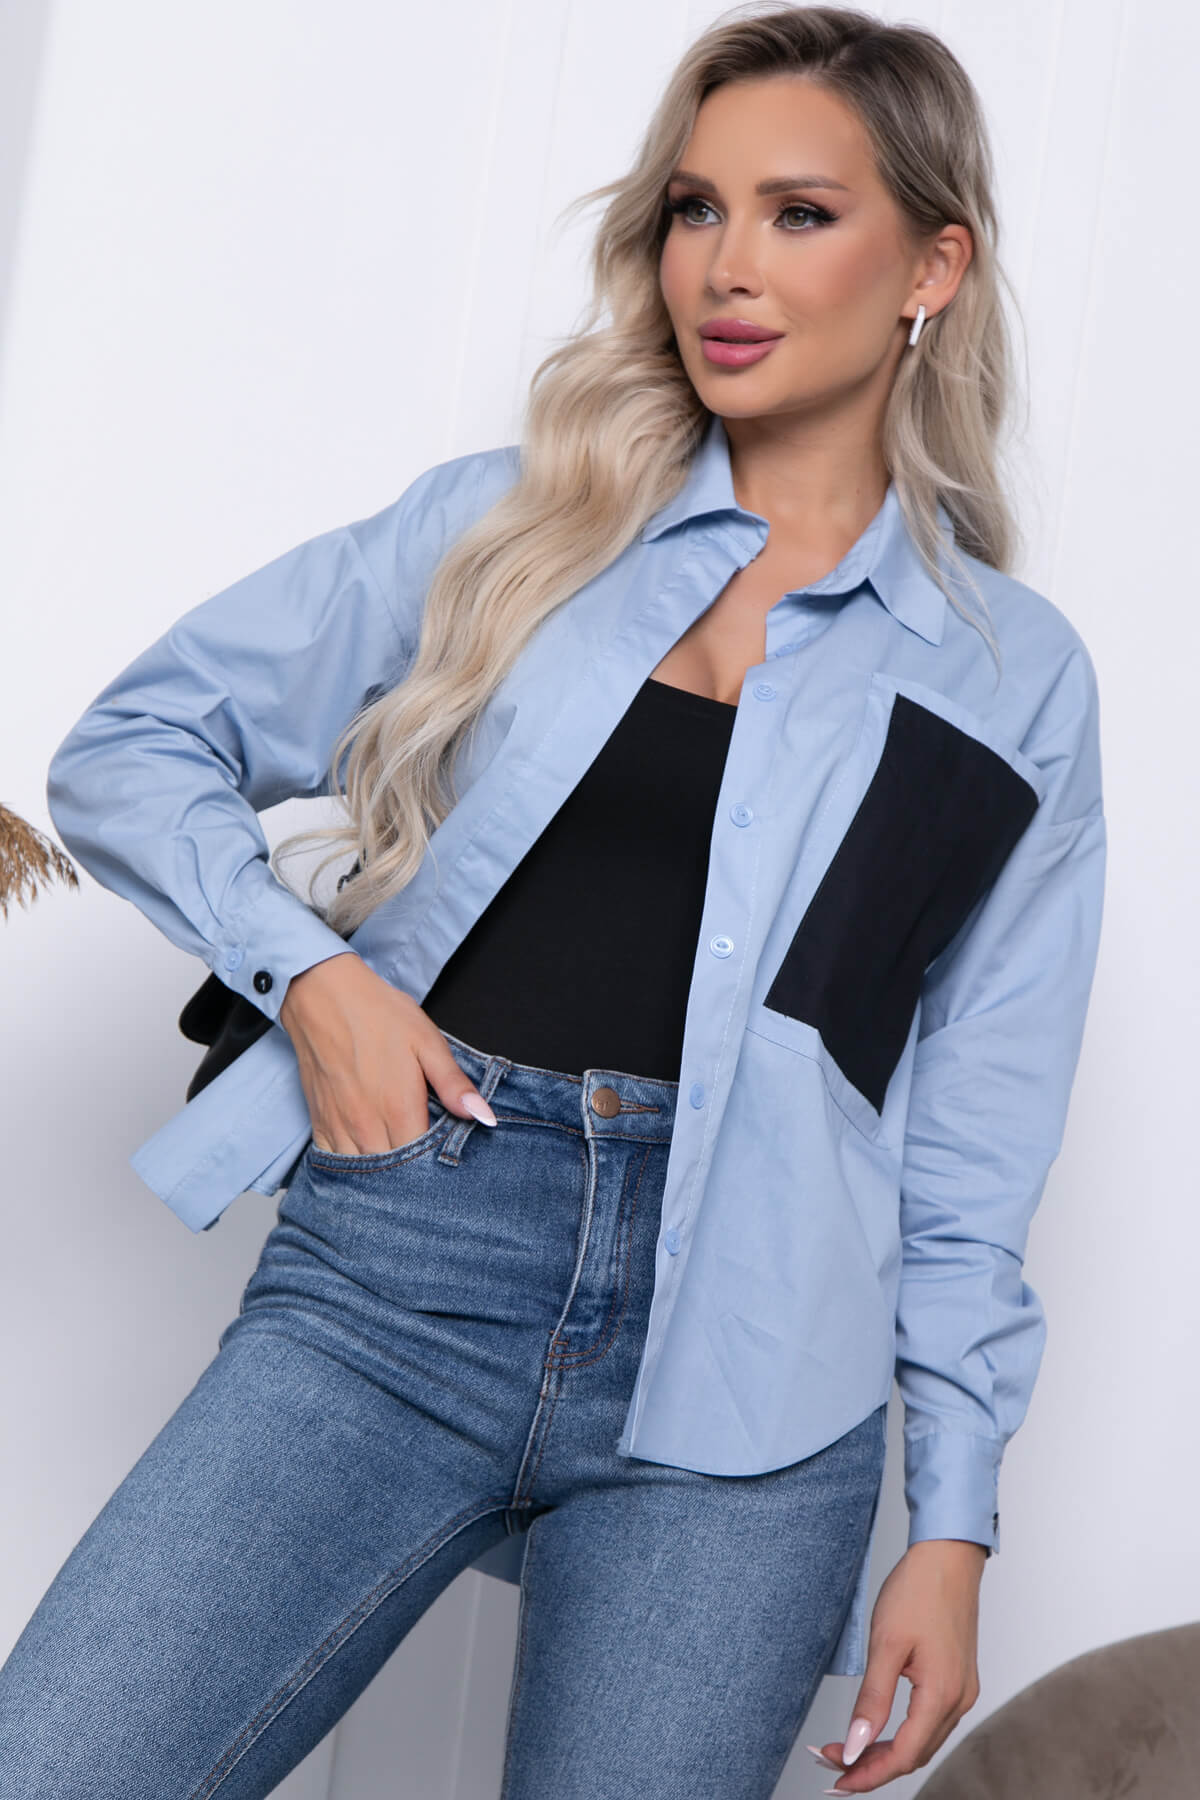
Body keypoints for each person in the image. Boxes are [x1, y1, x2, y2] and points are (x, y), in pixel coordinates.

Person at [0, 5, 1107, 1796]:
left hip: (755, 1372)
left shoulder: (1008, 677)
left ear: (934, 266)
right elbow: (134, 745)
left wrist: (955, 1523)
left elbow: (978, 1136)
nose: (727, 267)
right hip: (405, 1263)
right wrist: (312, 982)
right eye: (695, 209)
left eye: (800, 214)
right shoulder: (515, 526)